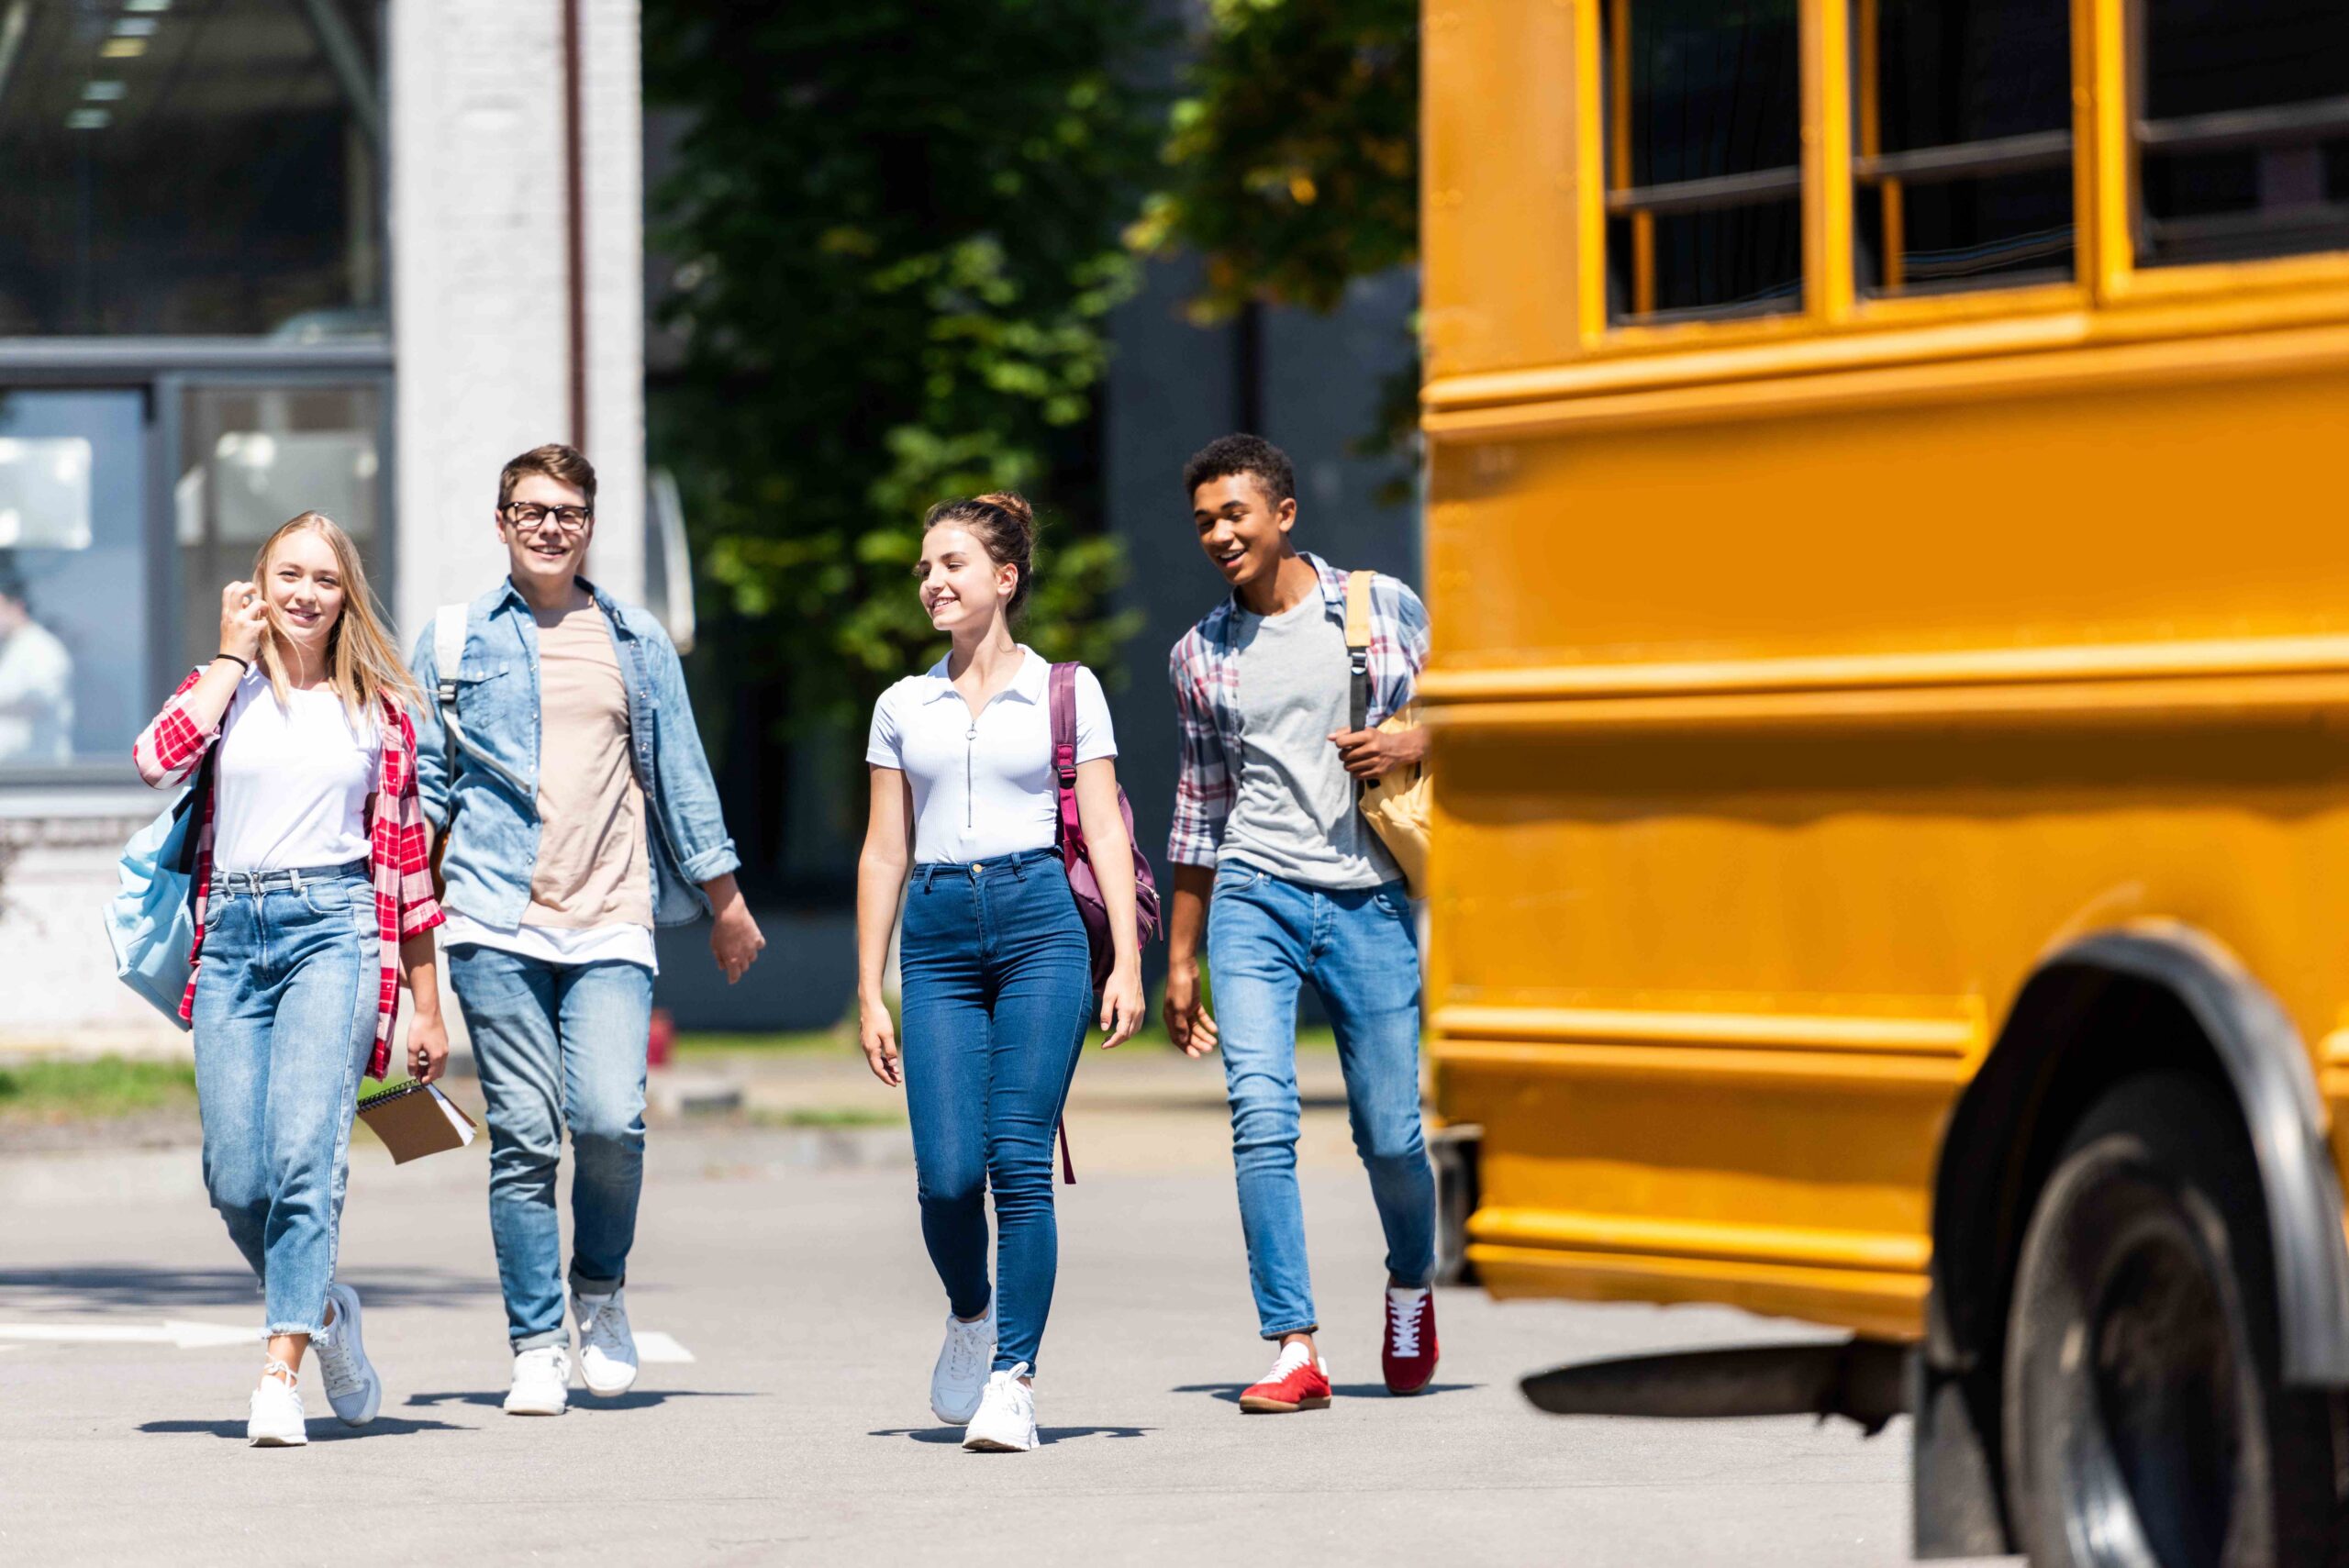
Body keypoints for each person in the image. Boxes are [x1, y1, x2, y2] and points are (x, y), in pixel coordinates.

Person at [410, 443, 763, 1418]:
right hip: (492, 917)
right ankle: (534, 1342)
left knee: (610, 1120)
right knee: (523, 1135)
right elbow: (419, 795)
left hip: (612, 915)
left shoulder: (636, 638)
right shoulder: (449, 641)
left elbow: (680, 772)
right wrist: (400, 941)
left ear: (590, 524)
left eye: (567, 510)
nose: (550, 526)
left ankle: (598, 1288)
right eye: (531, 510)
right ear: (502, 522)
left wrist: (725, 899)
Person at [131, 512, 449, 1447]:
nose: (307, 593)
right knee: (236, 1175)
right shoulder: (222, 691)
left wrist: (427, 1004)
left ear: (348, 593)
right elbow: (154, 762)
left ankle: (280, 1368)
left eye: (326, 578)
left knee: (308, 1156)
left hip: (336, 931)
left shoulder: (383, 712)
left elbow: (409, 874)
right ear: (258, 585)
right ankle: (327, 1310)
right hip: (231, 934)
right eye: (289, 575)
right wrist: (230, 657)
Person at [855, 492, 1146, 1452]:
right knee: (945, 1176)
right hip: (935, 937)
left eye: (953, 565)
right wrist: (868, 987)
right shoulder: (902, 703)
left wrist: (1128, 963)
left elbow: (1102, 824)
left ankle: (1013, 1377)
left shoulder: (1066, 688)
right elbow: (882, 851)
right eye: (926, 569)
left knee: (1018, 1161)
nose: (934, 582)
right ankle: (970, 1311)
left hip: (1040, 926)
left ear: (1005, 578)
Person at [1162, 434, 1440, 1414]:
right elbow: (1199, 806)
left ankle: (1410, 1280)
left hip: (1366, 897)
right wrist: (1181, 953)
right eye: (1203, 520)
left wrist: (1415, 734)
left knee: (1392, 1133)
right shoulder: (1200, 655)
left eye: (1234, 513)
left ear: (1283, 514)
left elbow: (1492, 701)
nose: (1218, 533)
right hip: (1254, 893)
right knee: (1261, 1118)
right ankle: (1294, 1343)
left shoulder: (1378, 607)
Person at [0, 552, 72, 763]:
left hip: (41, 774)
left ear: (17, 606)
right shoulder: (11, 648)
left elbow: (38, 702)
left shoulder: (43, 649)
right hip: (12, 770)